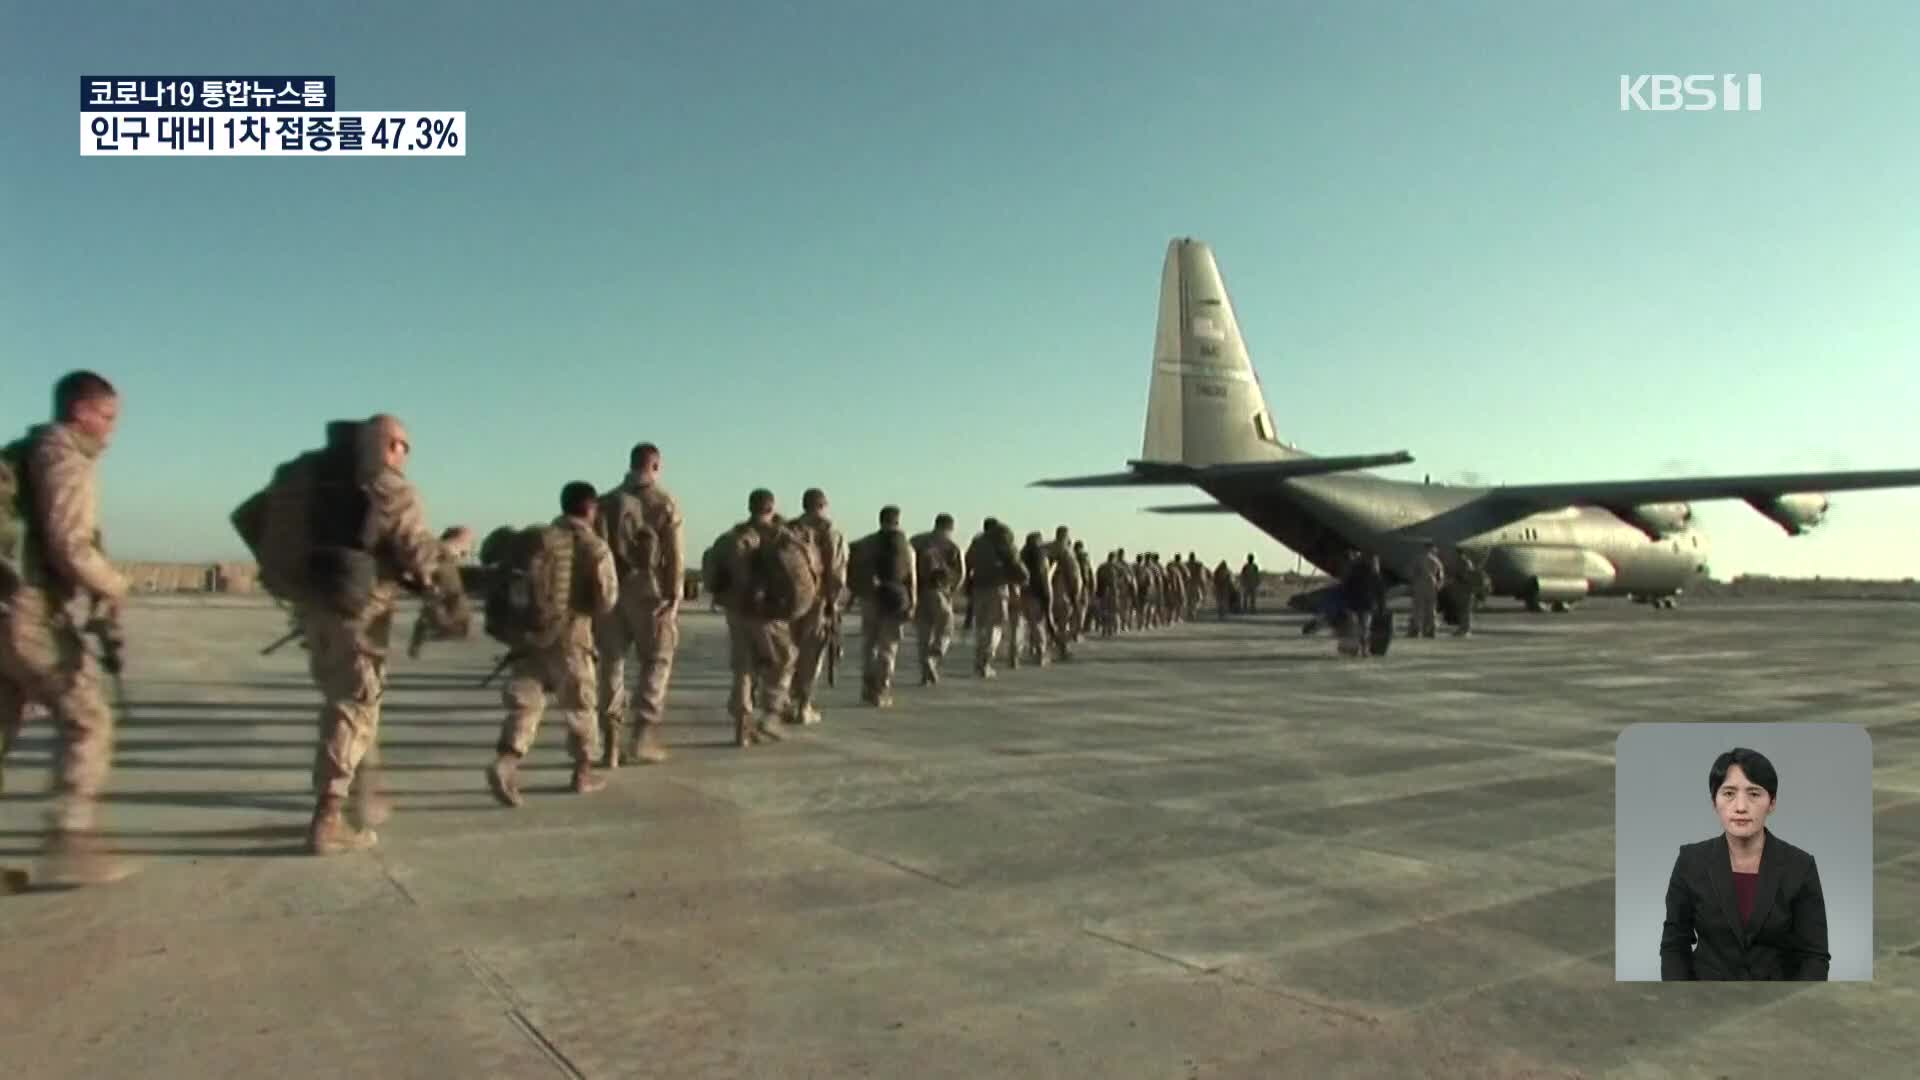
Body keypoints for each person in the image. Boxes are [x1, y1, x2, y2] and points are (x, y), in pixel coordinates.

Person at [0, 371, 134, 884]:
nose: (110, 431)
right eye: (106, 417)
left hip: (4, 604)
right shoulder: (65, 455)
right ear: (80, 412)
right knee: (88, 718)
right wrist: (114, 587)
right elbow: (70, 545)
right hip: (25, 611)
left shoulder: (26, 452)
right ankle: (70, 837)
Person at [299, 414, 449, 854]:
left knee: (349, 704)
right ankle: (327, 818)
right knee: (354, 707)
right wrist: (451, 549)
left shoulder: (328, 485)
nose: (406, 455)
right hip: (360, 617)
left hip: (316, 613)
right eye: (404, 445)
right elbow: (420, 558)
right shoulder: (393, 489)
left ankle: (359, 797)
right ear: (389, 446)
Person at [485, 482, 618, 807]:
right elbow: (606, 600)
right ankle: (583, 773)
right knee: (580, 706)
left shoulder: (537, 538)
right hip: (571, 638)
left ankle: (506, 762)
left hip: (531, 635)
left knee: (527, 703)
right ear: (590, 508)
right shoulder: (594, 546)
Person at [1660, 747, 1830, 980]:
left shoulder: (1800, 867)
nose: (1740, 806)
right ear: (1714, 802)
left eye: (1754, 793)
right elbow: (1674, 946)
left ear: (1772, 803)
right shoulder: (1690, 862)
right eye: (1729, 793)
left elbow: (1814, 955)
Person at [592, 442, 685, 765]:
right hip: (649, 593)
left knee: (611, 664)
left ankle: (610, 743)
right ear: (656, 466)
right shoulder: (663, 502)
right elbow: (674, 552)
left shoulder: (604, 502)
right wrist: (675, 594)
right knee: (657, 661)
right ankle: (643, 735)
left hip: (609, 594)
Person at [706, 489, 797, 747]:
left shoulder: (730, 537)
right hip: (767, 613)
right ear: (771, 507)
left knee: (743, 667)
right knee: (786, 659)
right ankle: (771, 713)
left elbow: (714, 575)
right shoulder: (779, 538)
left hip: (736, 612)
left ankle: (740, 728)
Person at [850, 505, 916, 705]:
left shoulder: (865, 543)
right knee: (888, 648)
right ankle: (881, 690)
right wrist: (912, 603)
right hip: (895, 599)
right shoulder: (906, 547)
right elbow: (911, 579)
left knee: (869, 645)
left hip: (870, 598)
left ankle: (866, 688)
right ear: (898, 520)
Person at [909, 513, 963, 685]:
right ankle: (934, 656)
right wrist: (952, 591)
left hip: (918, 591)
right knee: (946, 629)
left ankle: (925, 673)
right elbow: (960, 573)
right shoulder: (952, 546)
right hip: (940, 591)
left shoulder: (916, 541)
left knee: (923, 633)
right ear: (951, 527)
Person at [1409, 540, 1445, 638]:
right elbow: (1441, 576)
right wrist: (1438, 585)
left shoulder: (1418, 559)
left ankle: (1416, 630)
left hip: (1420, 585)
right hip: (1432, 585)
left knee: (1418, 608)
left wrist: (1413, 584)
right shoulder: (1436, 560)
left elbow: (1412, 573)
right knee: (1431, 608)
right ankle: (1431, 630)